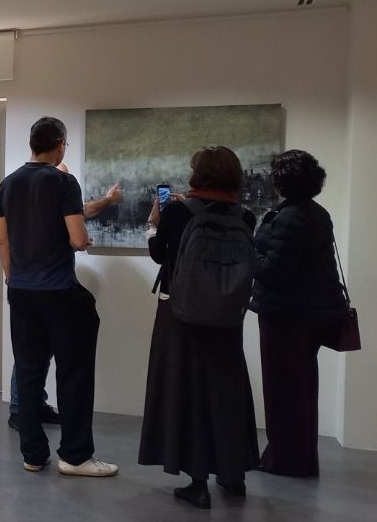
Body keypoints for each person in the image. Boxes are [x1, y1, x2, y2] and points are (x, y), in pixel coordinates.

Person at [138, 145, 259, 509]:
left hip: (181, 315)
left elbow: (160, 254)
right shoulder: (245, 216)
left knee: (186, 391)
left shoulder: (177, 211)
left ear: (198, 174)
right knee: (226, 393)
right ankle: (233, 476)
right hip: (227, 319)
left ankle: (198, 483)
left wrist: (153, 223)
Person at [0, 117, 118, 477]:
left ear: (32, 144)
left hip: (21, 291)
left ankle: (33, 455)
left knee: (29, 373)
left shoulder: (8, 184)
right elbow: (77, 239)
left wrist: (13, 279)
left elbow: (3, 240)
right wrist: (80, 239)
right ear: (61, 145)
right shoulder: (64, 182)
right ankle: (75, 456)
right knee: (73, 374)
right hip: (59, 292)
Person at [249, 150, 347, 478]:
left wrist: (247, 255)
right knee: (302, 388)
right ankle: (300, 459)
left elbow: (274, 270)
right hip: (310, 314)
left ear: (283, 181)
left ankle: (284, 461)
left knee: (283, 389)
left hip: (286, 315)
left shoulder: (290, 217)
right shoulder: (316, 213)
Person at [7, 175, 122, 431]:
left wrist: (10, 277)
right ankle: (21, 410)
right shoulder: (55, 188)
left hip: (27, 286)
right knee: (36, 358)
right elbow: (79, 231)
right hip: (47, 288)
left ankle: (29, 412)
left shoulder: (18, 190)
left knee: (34, 356)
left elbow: (82, 211)